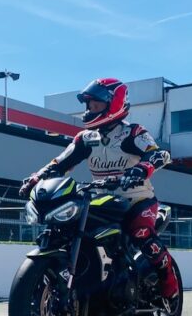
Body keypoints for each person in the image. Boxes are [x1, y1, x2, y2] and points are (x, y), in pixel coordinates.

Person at [17, 78, 178, 299]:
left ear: (114, 104)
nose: (90, 111)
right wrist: (35, 178)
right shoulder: (86, 138)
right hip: (103, 200)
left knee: (141, 232)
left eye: (96, 106)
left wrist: (141, 169)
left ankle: (169, 281)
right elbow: (60, 163)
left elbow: (159, 154)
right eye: (89, 106)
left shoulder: (132, 133)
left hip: (137, 200)